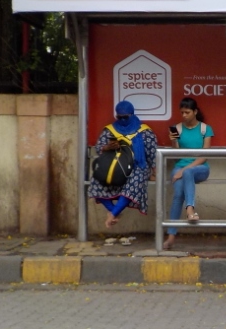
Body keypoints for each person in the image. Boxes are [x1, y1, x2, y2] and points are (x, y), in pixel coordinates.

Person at [87, 101, 157, 228]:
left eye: (126, 117)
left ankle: (113, 213)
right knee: (96, 180)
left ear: (132, 114)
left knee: (136, 178)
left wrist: (154, 172)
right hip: (115, 166)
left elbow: (152, 153)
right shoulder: (110, 130)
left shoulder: (144, 131)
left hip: (137, 165)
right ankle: (114, 211)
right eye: (120, 117)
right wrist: (107, 147)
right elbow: (98, 148)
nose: (123, 120)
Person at [163, 97, 213, 251]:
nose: (184, 115)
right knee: (178, 195)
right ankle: (171, 237)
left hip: (200, 168)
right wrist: (173, 142)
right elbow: (177, 155)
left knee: (189, 172)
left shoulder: (206, 129)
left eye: (187, 112)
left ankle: (190, 209)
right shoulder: (176, 128)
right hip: (180, 167)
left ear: (195, 112)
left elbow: (204, 156)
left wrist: (184, 171)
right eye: (182, 112)